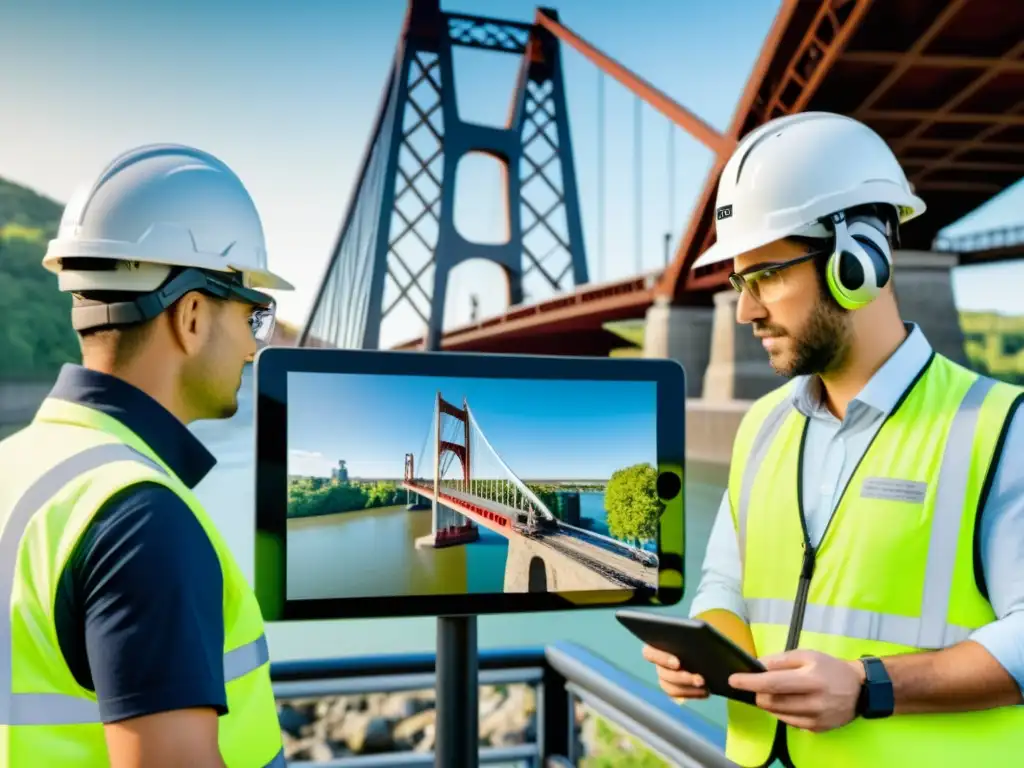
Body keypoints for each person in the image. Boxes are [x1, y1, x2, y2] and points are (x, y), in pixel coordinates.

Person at [641, 112, 1024, 767]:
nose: (745, 311)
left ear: (860, 261)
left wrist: (871, 687)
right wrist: (705, 648)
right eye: (739, 281)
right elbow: (725, 586)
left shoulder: (997, 428)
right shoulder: (760, 426)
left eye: (766, 275)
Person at [0, 144, 293, 767]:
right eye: (253, 316)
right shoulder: (140, 521)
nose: (251, 348)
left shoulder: (18, 466)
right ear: (190, 315)